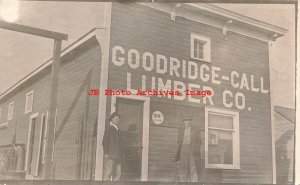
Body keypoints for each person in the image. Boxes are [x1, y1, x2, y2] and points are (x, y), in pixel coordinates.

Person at [175, 116, 202, 182]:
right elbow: (179, 140)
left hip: (191, 149)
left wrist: (195, 149)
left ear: (190, 121)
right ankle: (183, 182)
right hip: (183, 149)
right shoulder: (181, 130)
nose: (186, 122)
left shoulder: (195, 129)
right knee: (183, 166)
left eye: (188, 120)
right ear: (184, 122)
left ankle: (194, 182)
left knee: (192, 166)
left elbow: (200, 141)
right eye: (185, 120)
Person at [102, 112, 122, 181]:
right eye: (116, 119)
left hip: (118, 155)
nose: (118, 120)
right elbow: (104, 142)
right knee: (108, 172)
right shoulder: (109, 129)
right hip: (111, 154)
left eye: (118, 119)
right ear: (112, 120)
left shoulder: (119, 130)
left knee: (118, 173)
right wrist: (106, 153)